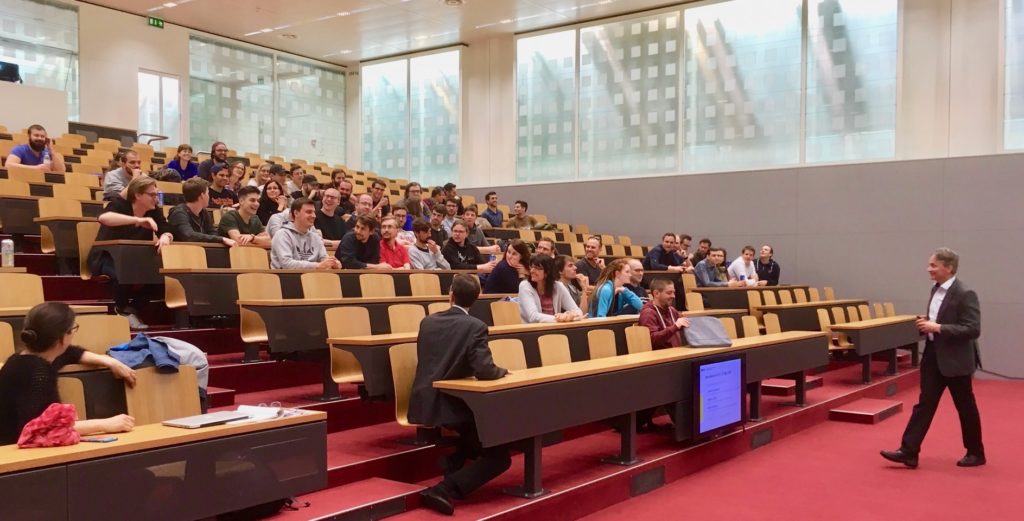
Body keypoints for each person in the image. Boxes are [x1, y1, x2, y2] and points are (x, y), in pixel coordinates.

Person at [410, 274, 510, 515]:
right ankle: (444, 488)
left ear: (450, 295)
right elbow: (485, 370)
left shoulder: (428, 321)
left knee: (481, 436)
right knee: (500, 456)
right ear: (475, 300)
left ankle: (454, 460)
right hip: (453, 403)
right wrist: (503, 371)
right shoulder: (475, 326)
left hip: (424, 399)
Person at [881, 248, 985, 469]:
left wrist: (937, 327)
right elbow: (940, 321)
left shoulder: (966, 293)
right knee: (924, 405)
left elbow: (972, 329)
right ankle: (909, 452)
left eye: (933, 266)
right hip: (933, 357)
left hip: (956, 361)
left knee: (965, 407)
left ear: (948, 268)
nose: (929, 269)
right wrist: (926, 323)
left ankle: (976, 452)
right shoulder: (935, 290)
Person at [0, 303, 137, 445]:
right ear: (63, 338)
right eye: (73, 329)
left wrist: (109, 361)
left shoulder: (22, 359)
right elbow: (42, 429)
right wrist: (105, 424)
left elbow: (71, 353)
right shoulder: (38, 374)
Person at [87, 176, 173, 330]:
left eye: (156, 194)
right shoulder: (120, 204)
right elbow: (104, 218)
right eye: (152, 195)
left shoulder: (154, 210)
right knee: (124, 270)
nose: (156, 199)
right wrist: (138, 220)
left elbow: (165, 229)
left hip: (136, 258)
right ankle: (120, 309)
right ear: (138, 195)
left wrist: (166, 237)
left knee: (163, 277)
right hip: (106, 257)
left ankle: (130, 309)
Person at [271, 198, 340, 270]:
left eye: (314, 212)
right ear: (296, 213)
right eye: (309, 212)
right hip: (285, 279)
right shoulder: (282, 234)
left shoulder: (315, 236)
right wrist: (317, 266)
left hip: (313, 278)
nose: (314, 216)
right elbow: (287, 264)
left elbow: (324, 259)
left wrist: (333, 263)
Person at [167, 178, 236, 246]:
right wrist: (221, 239)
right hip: (182, 253)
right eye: (208, 193)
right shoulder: (179, 213)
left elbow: (211, 232)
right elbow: (189, 235)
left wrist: (222, 237)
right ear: (202, 195)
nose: (209, 196)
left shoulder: (203, 212)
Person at [518, 254, 583, 323]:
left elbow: (578, 311)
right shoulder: (525, 286)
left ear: (547, 272)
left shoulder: (558, 286)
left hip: (554, 328)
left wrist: (569, 316)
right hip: (532, 330)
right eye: (532, 267)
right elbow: (533, 316)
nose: (532, 271)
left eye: (537, 268)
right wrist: (559, 318)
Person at [639, 279, 690, 349]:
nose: (673, 296)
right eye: (669, 293)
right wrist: (675, 326)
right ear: (656, 293)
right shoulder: (648, 313)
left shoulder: (671, 310)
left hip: (677, 353)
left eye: (673, 292)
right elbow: (652, 339)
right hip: (659, 356)